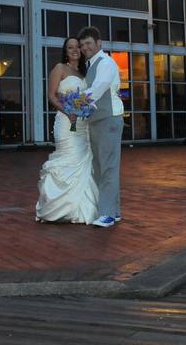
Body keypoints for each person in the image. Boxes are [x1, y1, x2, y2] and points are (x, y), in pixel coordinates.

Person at [35, 37, 99, 224]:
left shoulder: (84, 73)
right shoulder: (59, 68)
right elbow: (51, 95)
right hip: (65, 122)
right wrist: (68, 110)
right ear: (65, 50)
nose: (75, 50)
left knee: (83, 161)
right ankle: (57, 208)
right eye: (70, 47)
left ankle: (81, 209)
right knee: (68, 159)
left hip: (82, 125)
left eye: (77, 47)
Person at [78, 26, 124, 228]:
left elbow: (97, 89)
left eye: (88, 43)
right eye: (82, 45)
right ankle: (114, 211)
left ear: (99, 43)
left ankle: (107, 214)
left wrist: (76, 104)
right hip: (98, 120)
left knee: (108, 168)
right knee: (101, 167)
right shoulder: (91, 64)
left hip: (108, 119)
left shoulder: (106, 62)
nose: (85, 47)